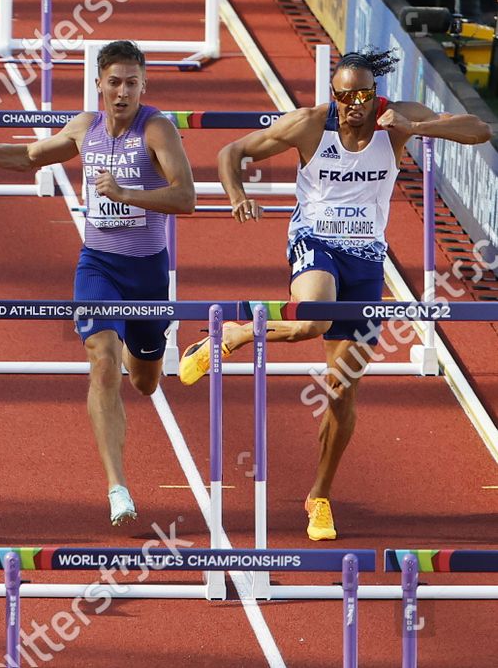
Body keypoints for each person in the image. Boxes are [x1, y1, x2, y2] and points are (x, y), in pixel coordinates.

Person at [188, 48, 492, 541]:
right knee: (313, 319)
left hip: (367, 259)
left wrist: (416, 128)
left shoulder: (397, 119)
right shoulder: (310, 125)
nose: (354, 105)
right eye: (345, 97)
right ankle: (239, 333)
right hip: (315, 242)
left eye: (363, 95)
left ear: (374, 94)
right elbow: (232, 152)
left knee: (341, 390)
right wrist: (238, 195)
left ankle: (320, 496)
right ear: (333, 96)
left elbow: (480, 130)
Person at [0, 40, 196, 526]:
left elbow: (186, 198)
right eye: (114, 83)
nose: (122, 93)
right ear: (99, 84)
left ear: (144, 85)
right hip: (98, 266)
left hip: (146, 273)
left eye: (132, 83)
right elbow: (26, 158)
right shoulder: (84, 128)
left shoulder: (156, 129)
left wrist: (126, 193)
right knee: (102, 360)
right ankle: (118, 487)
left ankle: (145, 351)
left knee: (145, 381)